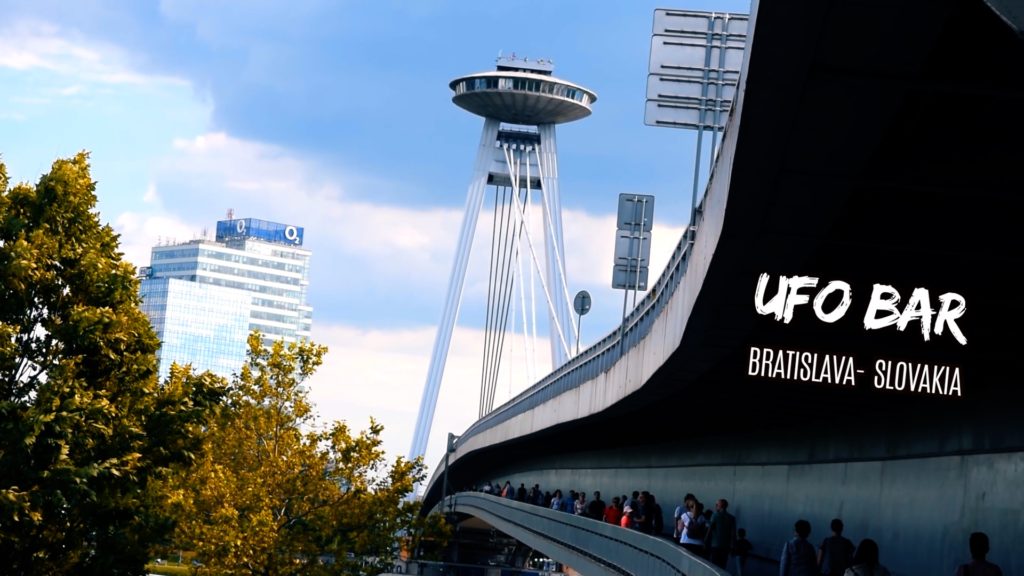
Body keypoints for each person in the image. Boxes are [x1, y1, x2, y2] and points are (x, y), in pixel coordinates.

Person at [707, 498, 737, 568]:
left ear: (720, 506)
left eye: (717, 505)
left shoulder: (715, 515)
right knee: (722, 565)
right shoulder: (731, 518)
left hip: (715, 545)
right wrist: (733, 547)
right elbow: (733, 534)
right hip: (726, 546)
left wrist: (706, 541)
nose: (716, 506)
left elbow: (710, 530)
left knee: (713, 566)